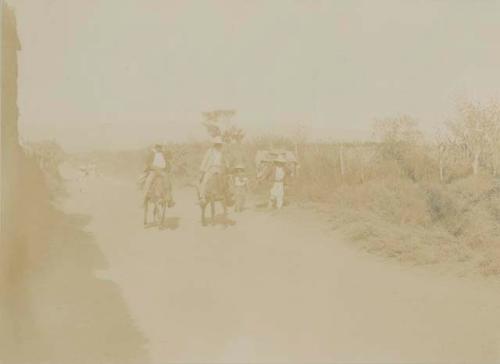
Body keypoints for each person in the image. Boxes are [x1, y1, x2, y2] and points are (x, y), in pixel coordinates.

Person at [198, 136, 228, 203]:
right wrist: (202, 170)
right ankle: (202, 197)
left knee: (224, 181)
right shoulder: (210, 151)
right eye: (217, 144)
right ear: (215, 144)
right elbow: (204, 160)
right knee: (205, 181)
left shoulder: (221, 152)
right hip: (210, 168)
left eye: (220, 144)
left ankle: (223, 194)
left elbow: (224, 160)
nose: (219, 145)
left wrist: (226, 165)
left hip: (219, 169)